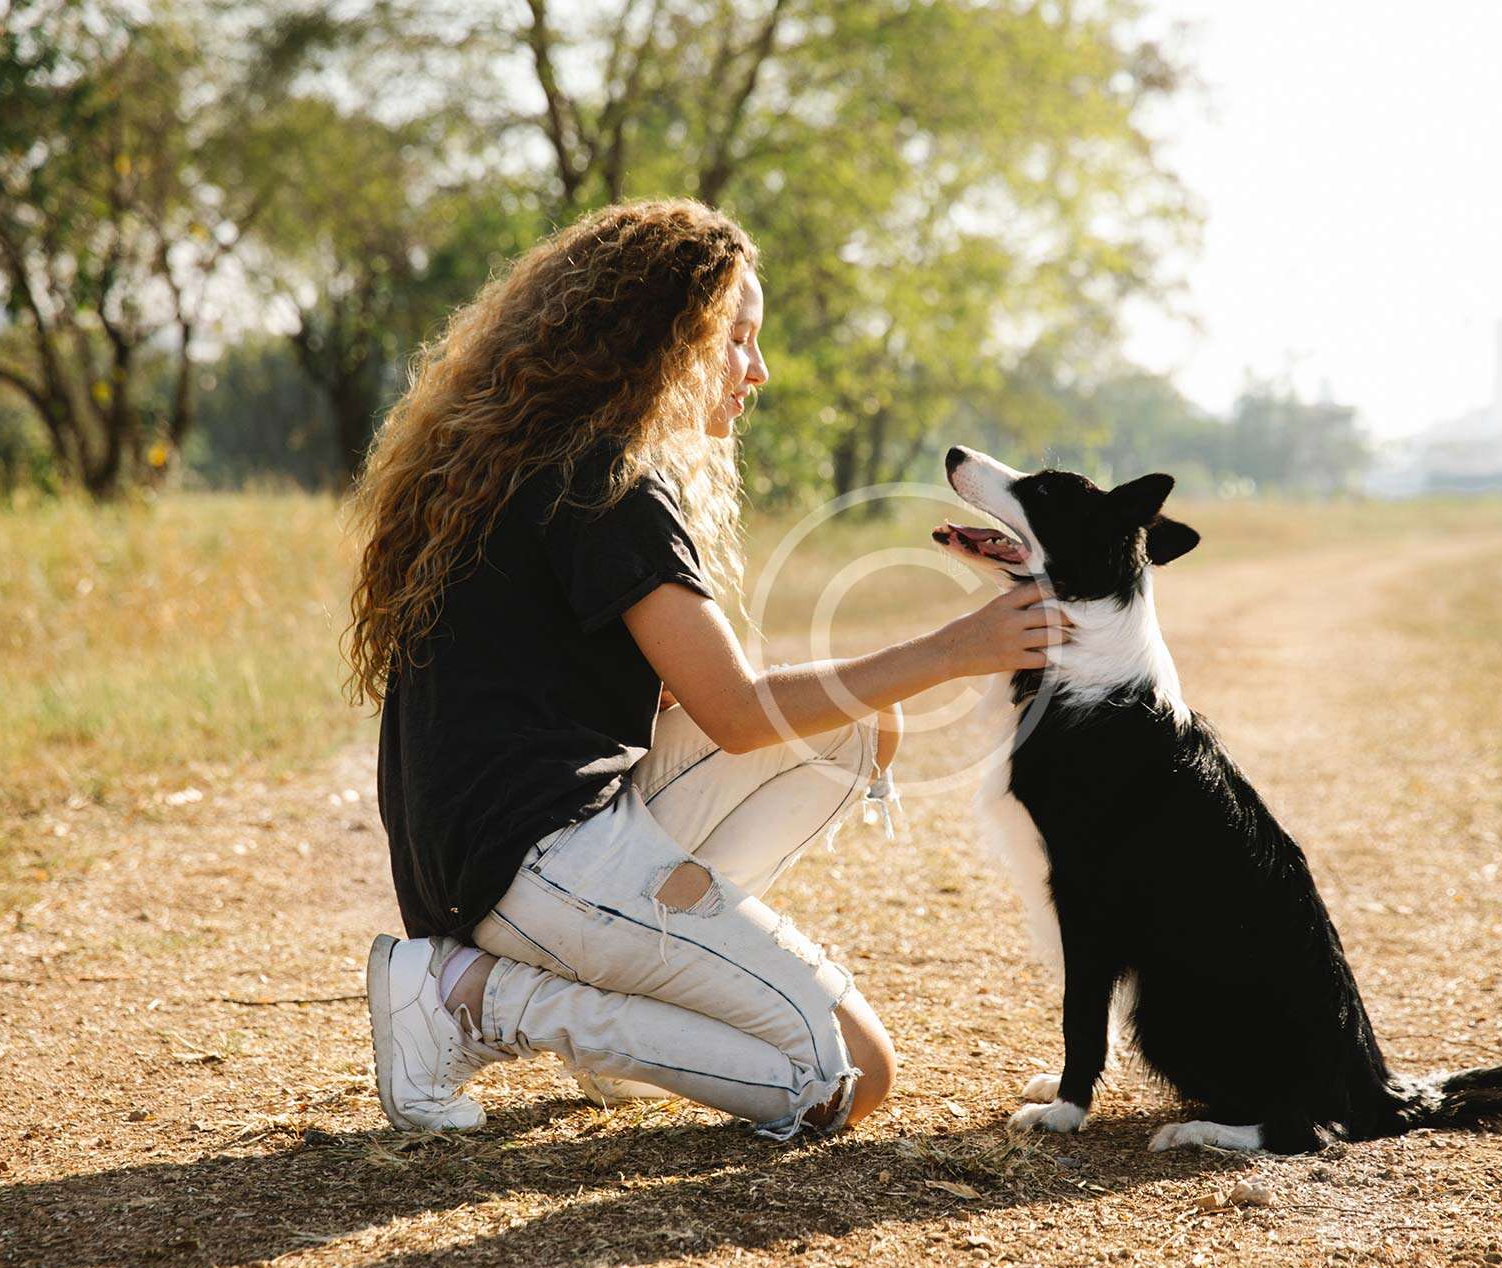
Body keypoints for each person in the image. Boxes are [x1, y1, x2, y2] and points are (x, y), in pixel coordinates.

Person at [344, 199, 1069, 1140]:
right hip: (532, 869)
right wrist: (952, 650)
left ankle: (609, 985)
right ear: (663, 343)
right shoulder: (610, 486)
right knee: (846, 1077)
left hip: (494, 857)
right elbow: (730, 714)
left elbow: (709, 696)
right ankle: (476, 1001)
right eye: (736, 339)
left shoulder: (538, 459)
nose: (756, 370)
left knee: (852, 725)